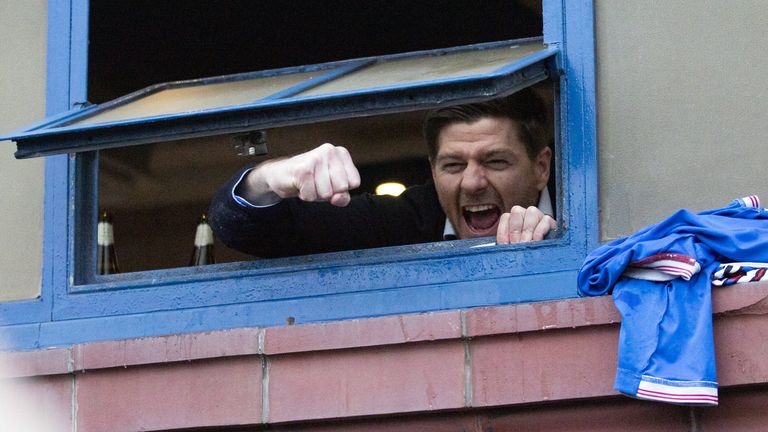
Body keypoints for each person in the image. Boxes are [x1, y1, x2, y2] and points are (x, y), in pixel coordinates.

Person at [209, 89, 556, 258]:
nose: (472, 182)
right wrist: (269, 178)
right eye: (453, 165)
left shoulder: (591, 207)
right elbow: (246, 230)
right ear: (432, 171)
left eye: (495, 161)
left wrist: (555, 244)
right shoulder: (406, 219)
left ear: (541, 168)